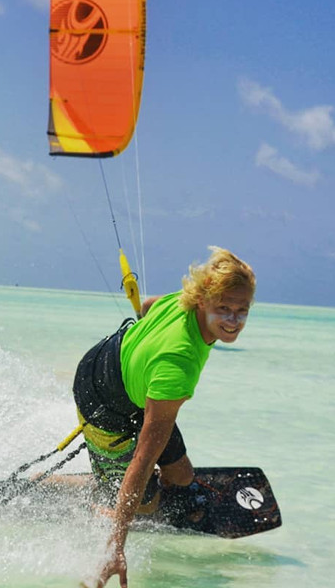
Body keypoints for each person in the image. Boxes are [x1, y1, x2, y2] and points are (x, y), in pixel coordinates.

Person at [73, 246, 256, 588]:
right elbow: (143, 459)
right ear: (203, 301)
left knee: (182, 476)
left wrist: (145, 351)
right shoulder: (178, 366)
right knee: (147, 499)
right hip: (100, 395)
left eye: (241, 311)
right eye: (224, 310)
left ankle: (122, 485)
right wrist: (115, 548)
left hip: (130, 379)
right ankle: (102, 497)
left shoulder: (182, 300)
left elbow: (146, 306)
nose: (233, 321)